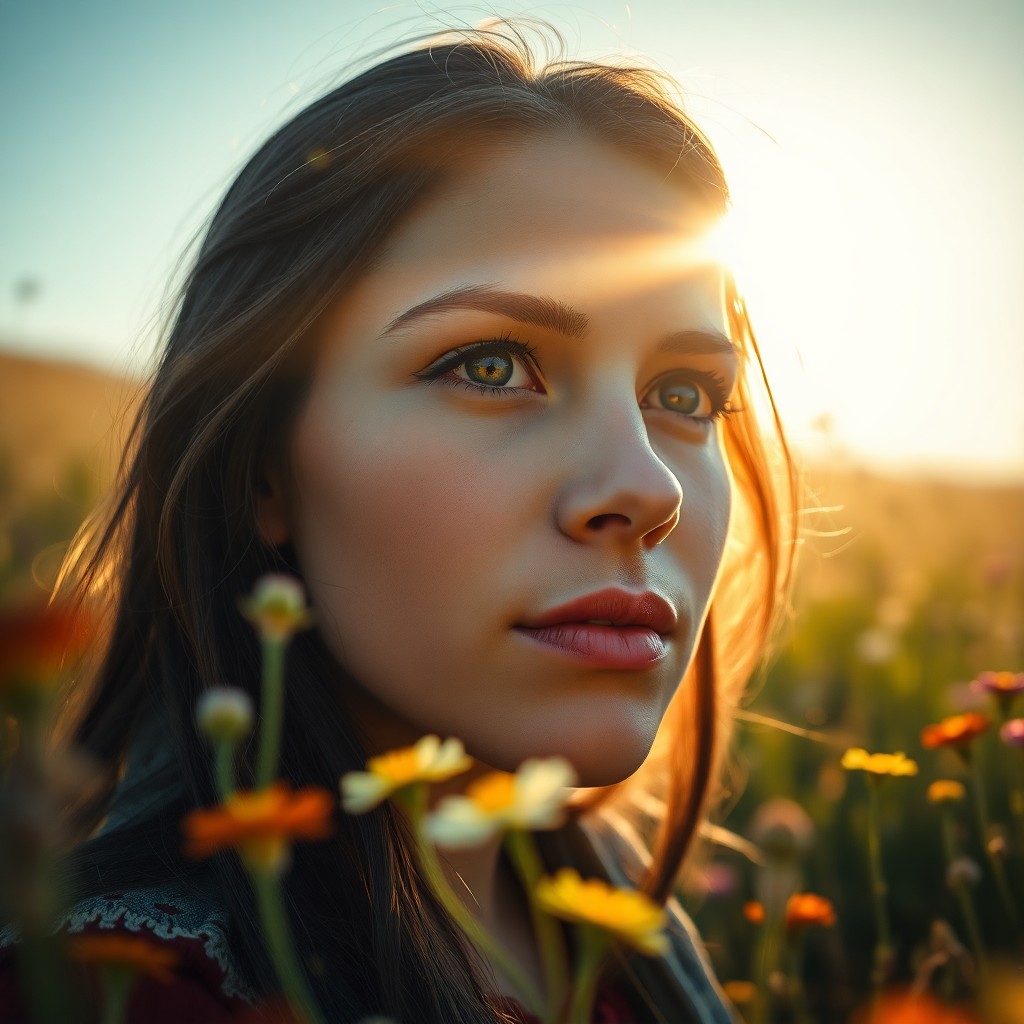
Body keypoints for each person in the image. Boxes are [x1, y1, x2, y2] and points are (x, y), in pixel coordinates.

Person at [0, 21, 795, 1023]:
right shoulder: (116, 993)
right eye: (491, 366)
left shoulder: (626, 929)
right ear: (262, 465)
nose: (646, 486)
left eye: (684, 391)